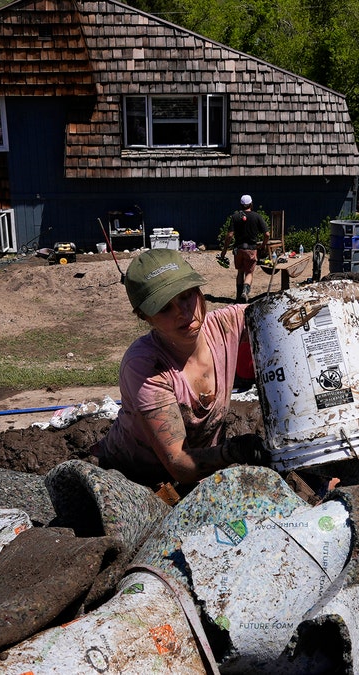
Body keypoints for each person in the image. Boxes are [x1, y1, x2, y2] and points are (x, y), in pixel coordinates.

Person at [94, 248, 267, 492]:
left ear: (199, 291)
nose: (183, 313)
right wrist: (232, 451)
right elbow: (179, 462)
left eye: (187, 296)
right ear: (145, 317)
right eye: (165, 308)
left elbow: (278, 315)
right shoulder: (146, 367)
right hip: (133, 481)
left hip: (195, 475)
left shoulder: (224, 326)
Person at [220, 194, 269, 303]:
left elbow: (229, 235)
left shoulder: (235, 217)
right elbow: (267, 234)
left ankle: (238, 297)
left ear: (241, 205)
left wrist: (224, 251)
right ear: (251, 204)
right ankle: (245, 293)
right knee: (249, 273)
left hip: (238, 249)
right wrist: (263, 246)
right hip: (251, 249)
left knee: (240, 272)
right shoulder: (257, 216)